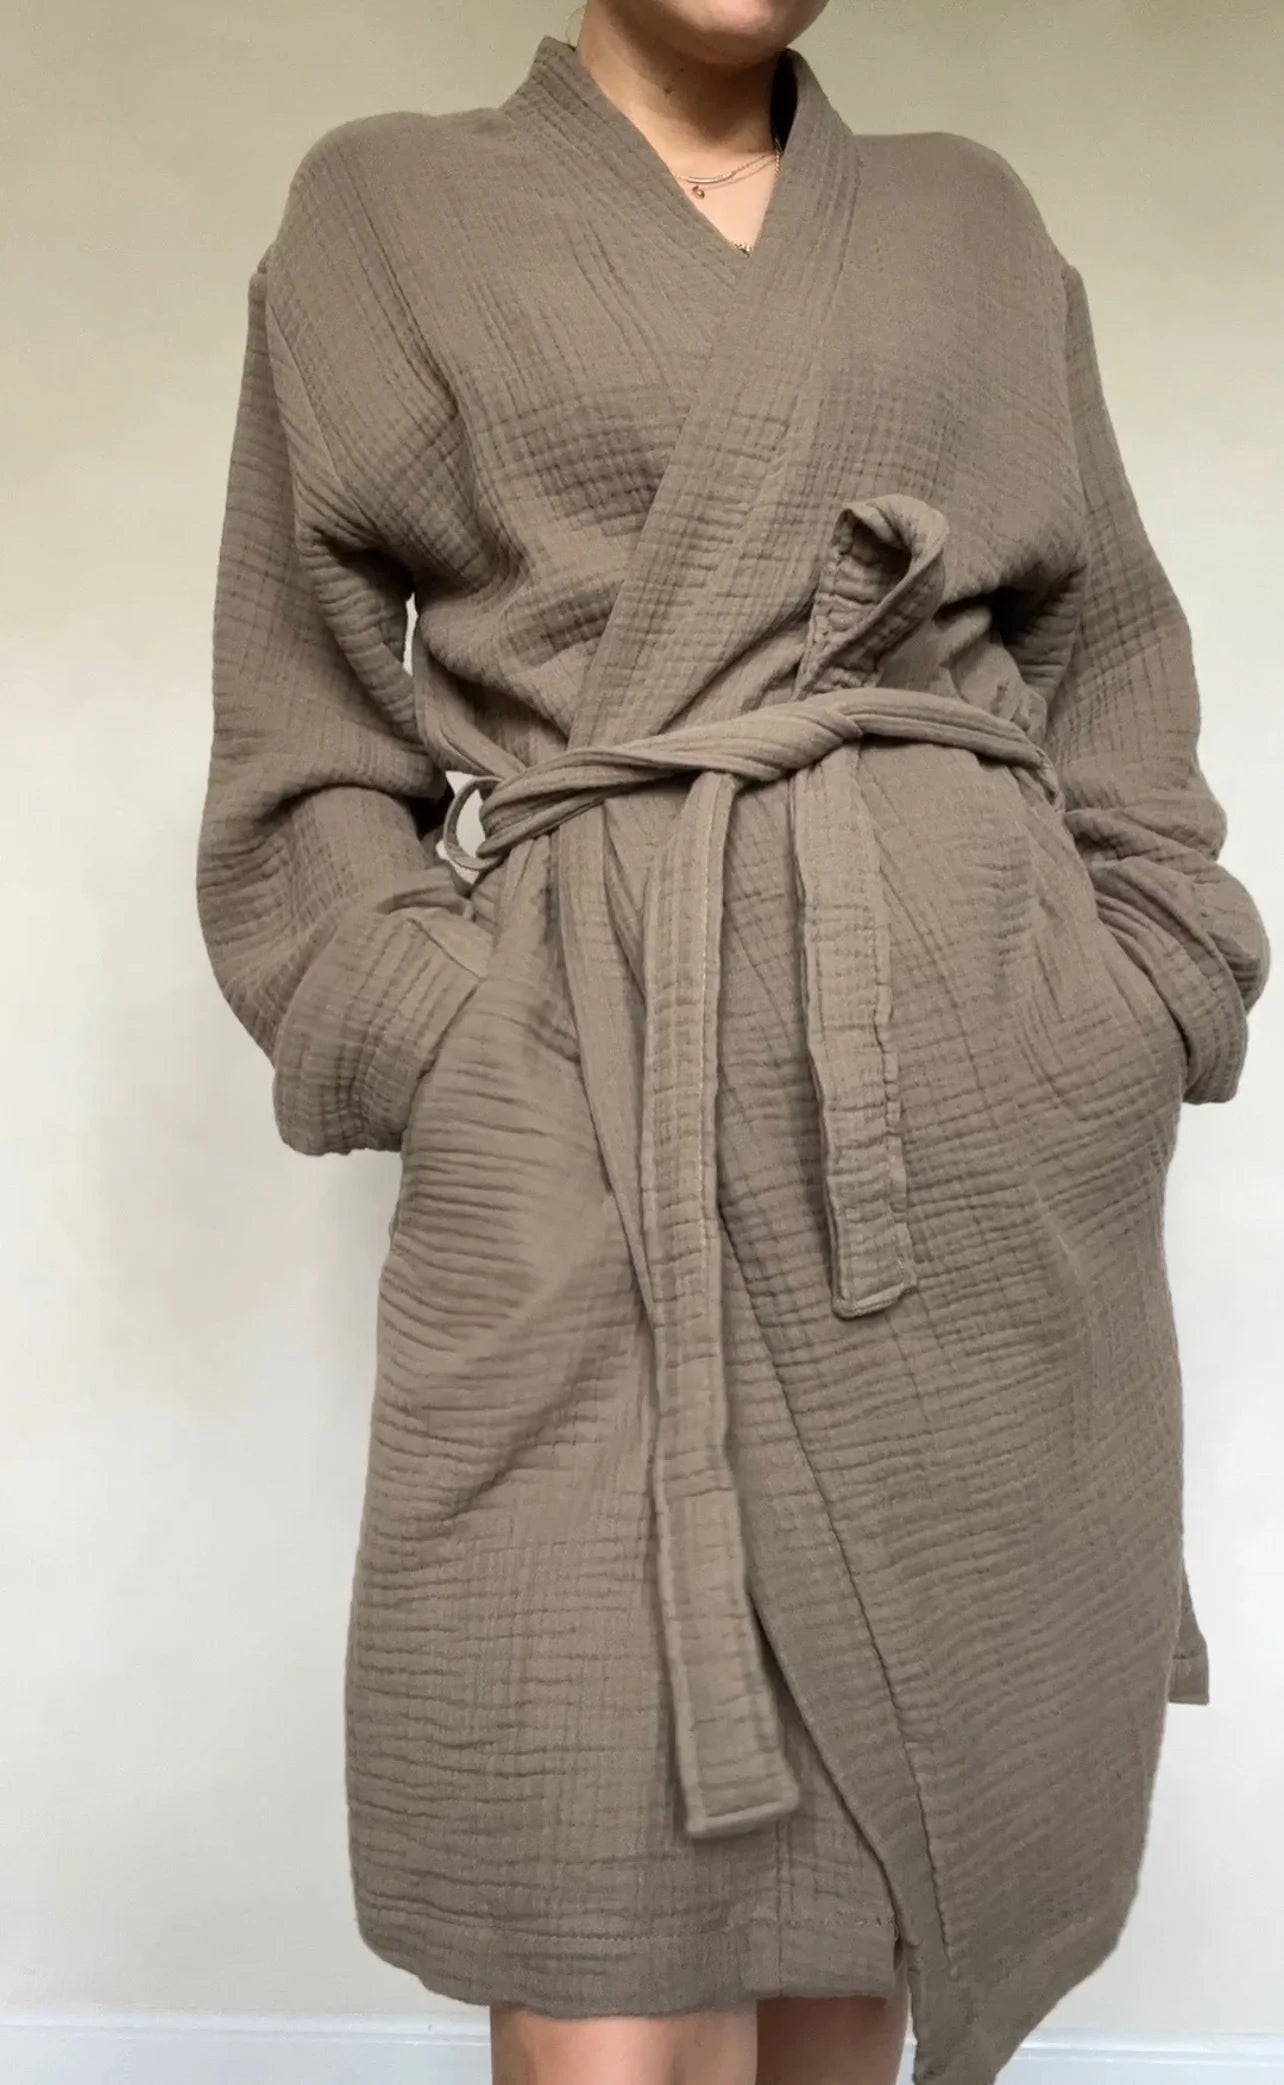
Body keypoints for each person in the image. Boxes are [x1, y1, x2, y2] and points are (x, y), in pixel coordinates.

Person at [195, 3, 1270, 2082]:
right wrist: (459, 1049)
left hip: (954, 1140)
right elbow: (302, 732)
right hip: (594, 1111)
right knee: (591, 1908)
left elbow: (1111, 652)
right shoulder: (387, 208)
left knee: (859, 1903)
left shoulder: (967, 223)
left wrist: (1138, 998)